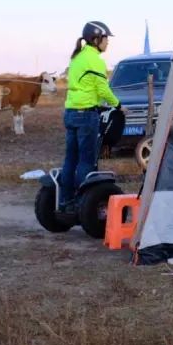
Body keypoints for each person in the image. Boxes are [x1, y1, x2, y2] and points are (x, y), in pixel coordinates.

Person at [61, 21, 120, 210]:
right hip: (86, 115)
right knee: (87, 160)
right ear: (96, 39)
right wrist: (118, 105)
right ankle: (83, 203)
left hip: (70, 113)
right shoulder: (95, 60)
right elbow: (102, 89)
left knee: (71, 159)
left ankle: (66, 200)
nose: (107, 43)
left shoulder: (77, 58)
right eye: (105, 39)